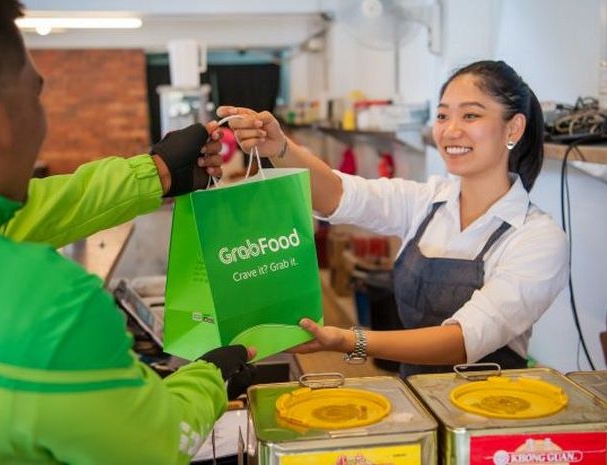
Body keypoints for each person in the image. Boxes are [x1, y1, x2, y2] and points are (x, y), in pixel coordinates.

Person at [0, 2, 253, 464]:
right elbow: (151, 448)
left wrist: (158, 172)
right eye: (35, 97)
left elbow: (28, 214)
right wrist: (209, 375)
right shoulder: (46, 309)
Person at [218, 60, 569, 377]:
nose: (450, 130)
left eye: (471, 116)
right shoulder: (426, 202)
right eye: (443, 116)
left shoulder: (537, 237)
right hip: (416, 398)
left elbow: (463, 340)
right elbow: (339, 195)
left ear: (513, 128)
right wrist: (279, 147)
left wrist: (348, 340)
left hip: (491, 409)